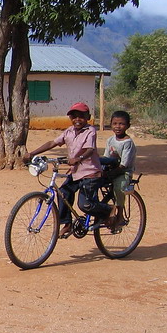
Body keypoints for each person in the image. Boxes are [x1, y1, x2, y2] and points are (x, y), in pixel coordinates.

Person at [25, 101, 115, 237]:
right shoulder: (69, 131)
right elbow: (52, 143)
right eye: (74, 116)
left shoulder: (90, 131)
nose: (77, 119)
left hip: (90, 173)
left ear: (88, 117)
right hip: (75, 172)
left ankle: (109, 209)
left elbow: (90, 150)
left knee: (85, 205)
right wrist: (32, 153)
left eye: (81, 116)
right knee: (63, 192)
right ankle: (67, 223)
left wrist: (78, 158)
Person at [103, 110, 136, 223]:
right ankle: (103, 211)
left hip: (123, 172)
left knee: (118, 187)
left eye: (121, 124)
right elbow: (106, 157)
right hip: (111, 170)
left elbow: (124, 165)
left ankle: (120, 215)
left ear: (128, 126)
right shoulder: (110, 140)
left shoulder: (128, 143)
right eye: (115, 123)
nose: (118, 127)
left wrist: (110, 173)